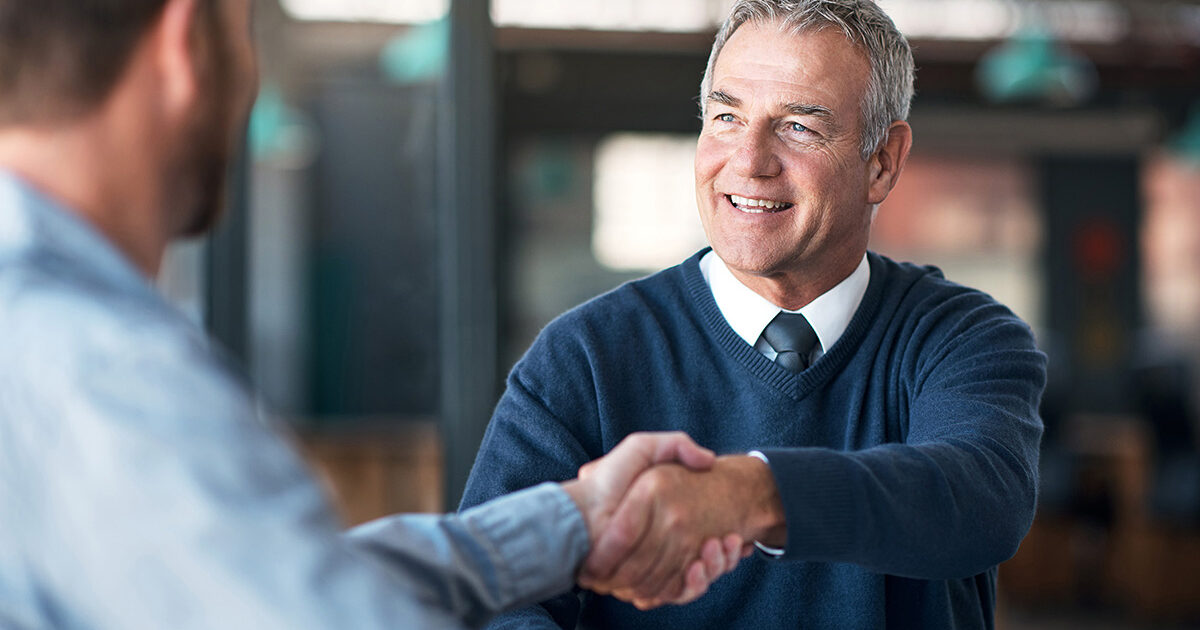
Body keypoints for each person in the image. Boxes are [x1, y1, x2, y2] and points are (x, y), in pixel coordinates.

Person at [0, 0, 744, 628]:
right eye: (243, 34)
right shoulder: (103, 371)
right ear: (183, 44)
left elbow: (290, 576)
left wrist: (571, 523)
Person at [459, 0, 1048, 627]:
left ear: (883, 161)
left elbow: (979, 498)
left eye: (798, 127)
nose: (748, 161)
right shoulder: (585, 358)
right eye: (726, 117)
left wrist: (748, 494)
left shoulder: (963, 339)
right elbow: (491, 594)